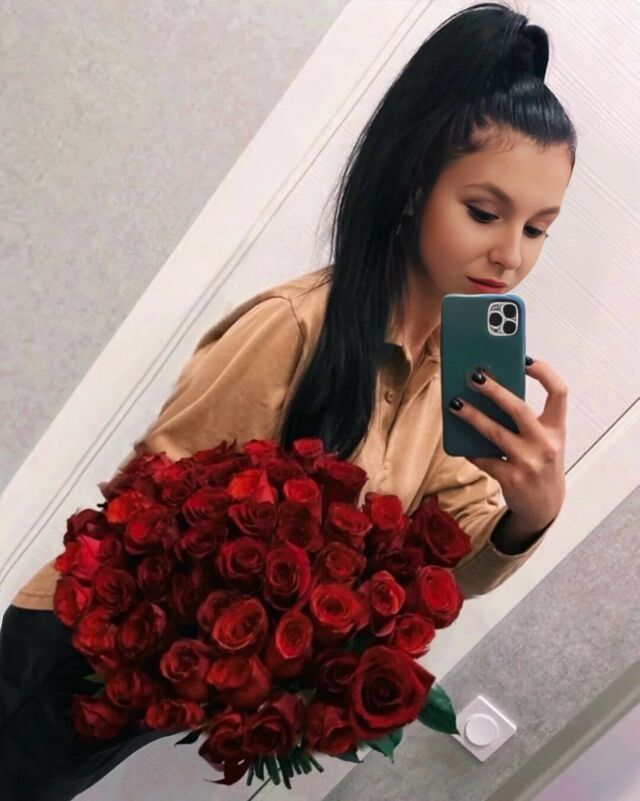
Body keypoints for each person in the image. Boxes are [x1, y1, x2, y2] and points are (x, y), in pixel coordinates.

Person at [0, 3, 574, 798]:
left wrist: (531, 511)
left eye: (539, 228)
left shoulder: (458, 375)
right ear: (413, 185)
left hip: (162, 680)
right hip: (85, 646)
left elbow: (458, 557)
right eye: (485, 212)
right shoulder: (295, 326)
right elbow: (151, 509)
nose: (510, 255)